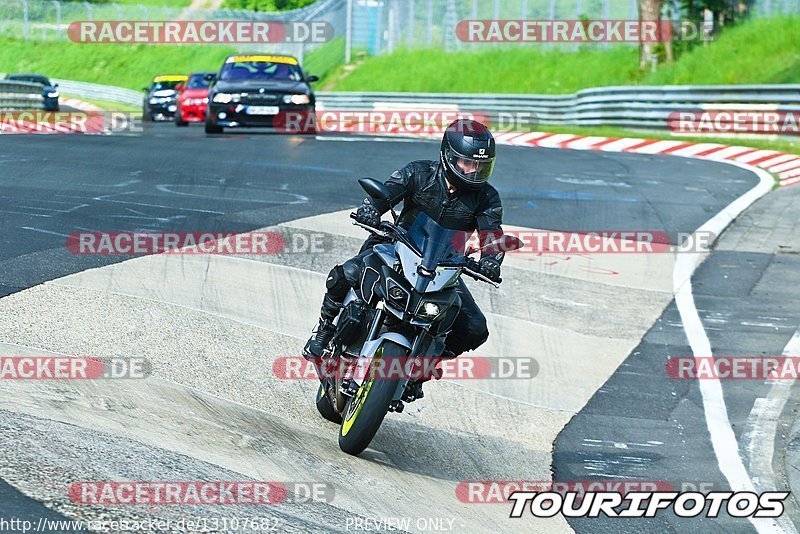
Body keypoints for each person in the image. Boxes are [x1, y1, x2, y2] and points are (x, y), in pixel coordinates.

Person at [302, 119, 505, 390]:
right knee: (347, 273)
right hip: (396, 244)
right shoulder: (418, 172)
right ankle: (324, 329)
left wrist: (491, 260)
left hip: (442, 265)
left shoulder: (487, 198)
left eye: (481, 165)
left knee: (475, 328)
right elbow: (385, 194)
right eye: (467, 163)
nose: (473, 171)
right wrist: (371, 209)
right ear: (447, 156)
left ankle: (422, 366)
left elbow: (491, 233)